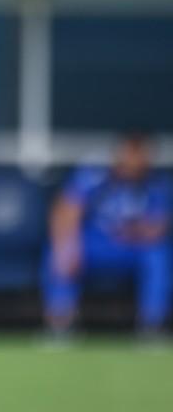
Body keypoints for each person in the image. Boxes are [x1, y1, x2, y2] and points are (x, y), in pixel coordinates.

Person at [44, 134, 171, 337]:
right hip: (97, 244)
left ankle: (152, 324)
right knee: (61, 249)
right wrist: (68, 246)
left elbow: (158, 228)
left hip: (132, 247)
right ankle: (61, 322)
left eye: (142, 155)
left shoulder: (156, 183)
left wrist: (134, 231)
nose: (136, 161)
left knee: (158, 254)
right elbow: (65, 211)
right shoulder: (96, 175)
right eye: (131, 153)